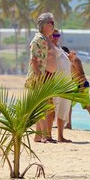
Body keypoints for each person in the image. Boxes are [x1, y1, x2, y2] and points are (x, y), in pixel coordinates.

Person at [28, 12, 59, 143]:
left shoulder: (47, 39)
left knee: (47, 107)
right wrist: (39, 76)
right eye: (51, 23)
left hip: (48, 76)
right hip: (40, 76)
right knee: (42, 107)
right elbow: (34, 59)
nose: (53, 25)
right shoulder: (39, 39)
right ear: (45, 24)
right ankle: (46, 136)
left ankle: (38, 135)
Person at [67, 48, 90, 132]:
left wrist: (81, 87)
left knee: (70, 105)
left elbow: (81, 73)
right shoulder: (70, 61)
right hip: (79, 85)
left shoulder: (75, 60)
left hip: (82, 85)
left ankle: (69, 124)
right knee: (88, 107)